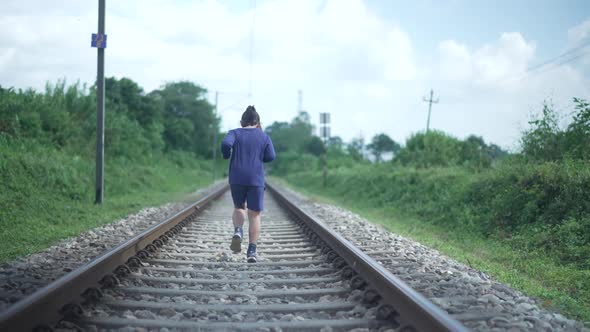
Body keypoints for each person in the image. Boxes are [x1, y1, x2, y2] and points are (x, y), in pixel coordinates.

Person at [221, 105, 276, 263]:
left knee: (239, 207)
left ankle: (238, 231)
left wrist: (226, 155)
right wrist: (259, 157)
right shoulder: (263, 136)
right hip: (255, 179)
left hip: (237, 177)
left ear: (241, 122)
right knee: (255, 214)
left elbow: (226, 145)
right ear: (258, 123)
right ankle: (251, 251)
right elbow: (271, 156)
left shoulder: (234, 133)